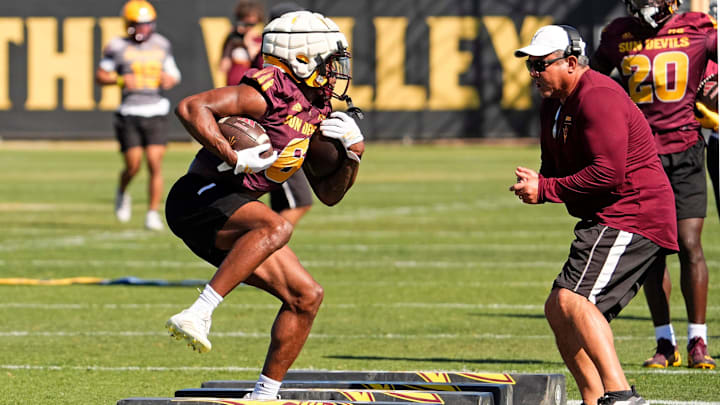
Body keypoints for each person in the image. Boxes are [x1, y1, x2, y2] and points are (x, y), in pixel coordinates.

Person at [164, 11, 365, 400]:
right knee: (277, 227)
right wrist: (230, 153)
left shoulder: (315, 107)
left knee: (306, 297)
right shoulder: (266, 92)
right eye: (329, 63)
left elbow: (330, 195)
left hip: (231, 210)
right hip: (200, 197)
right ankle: (198, 313)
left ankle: (264, 394)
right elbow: (191, 107)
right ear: (302, 58)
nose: (336, 73)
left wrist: (354, 154)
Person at [510, 25, 678, 405]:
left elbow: (609, 172)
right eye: (530, 66)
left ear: (571, 63)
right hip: (612, 214)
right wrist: (540, 183)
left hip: (634, 212)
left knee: (573, 300)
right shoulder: (553, 103)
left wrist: (547, 190)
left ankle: (619, 395)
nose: (534, 73)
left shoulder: (598, 96)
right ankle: (593, 397)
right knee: (558, 308)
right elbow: (555, 167)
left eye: (541, 65)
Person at [591, 0, 717, 369]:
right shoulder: (618, 34)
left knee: (690, 244)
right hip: (643, 156)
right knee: (653, 250)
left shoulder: (697, 26)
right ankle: (666, 343)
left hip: (687, 148)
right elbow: (594, 81)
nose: (643, 5)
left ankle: (698, 340)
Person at [221, 1, 315, 226]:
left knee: (277, 204)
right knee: (299, 202)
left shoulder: (269, 51)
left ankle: (263, 245)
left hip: (273, 129)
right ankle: (262, 245)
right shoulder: (270, 56)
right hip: (277, 133)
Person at [96, 0, 181, 231]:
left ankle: (152, 212)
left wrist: (169, 79)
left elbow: (174, 74)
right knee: (133, 165)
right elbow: (101, 75)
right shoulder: (116, 46)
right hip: (129, 112)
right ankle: (122, 191)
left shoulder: (162, 44)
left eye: (147, 24)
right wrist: (121, 79)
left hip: (156, 109)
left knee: (155, 163)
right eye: (138, 24)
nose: (143, 29)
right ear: (129, 24)